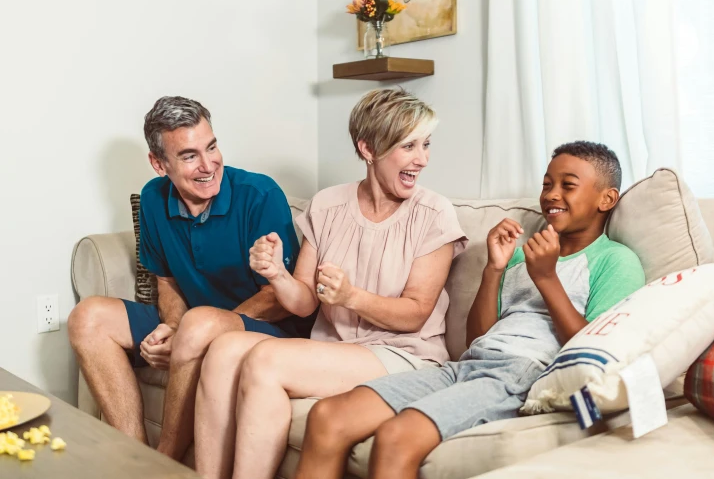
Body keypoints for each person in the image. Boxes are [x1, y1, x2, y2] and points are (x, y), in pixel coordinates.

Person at [295, 141, 646, 479]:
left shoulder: (615, 260)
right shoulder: (523, 256)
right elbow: (476, 339)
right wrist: (494, 269)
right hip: (467, 365)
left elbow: (595, 349)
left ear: (607, 198)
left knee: (396, 437)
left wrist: (547, 278)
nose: (552, 194)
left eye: (568, 186)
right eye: (547, 184)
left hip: (521, 373)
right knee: (329, 416)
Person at [194, 88, 467, 479]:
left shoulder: (433, 213)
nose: (421, 159)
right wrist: (277, 275)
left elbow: (415, 313)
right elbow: (304, 302)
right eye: (408, 146)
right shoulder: (326, 205)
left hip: (404, 354)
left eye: (425, 144)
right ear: (368, 148)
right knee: (223, 350)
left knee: (267, 359)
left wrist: (351, 296)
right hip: (333, 349)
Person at [68, 96, 315, 461]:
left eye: (211, 146)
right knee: (87, 318)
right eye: (189, 155)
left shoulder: (260, 195)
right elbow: (165, 281)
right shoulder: (153, 199)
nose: (208, 165)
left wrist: (198, 332)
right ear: (158, 163)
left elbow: (279, 298)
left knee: (199, 325)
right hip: (195, 321)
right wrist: (172, 326)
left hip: (270, 331)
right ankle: (134, 457)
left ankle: (163, 462)